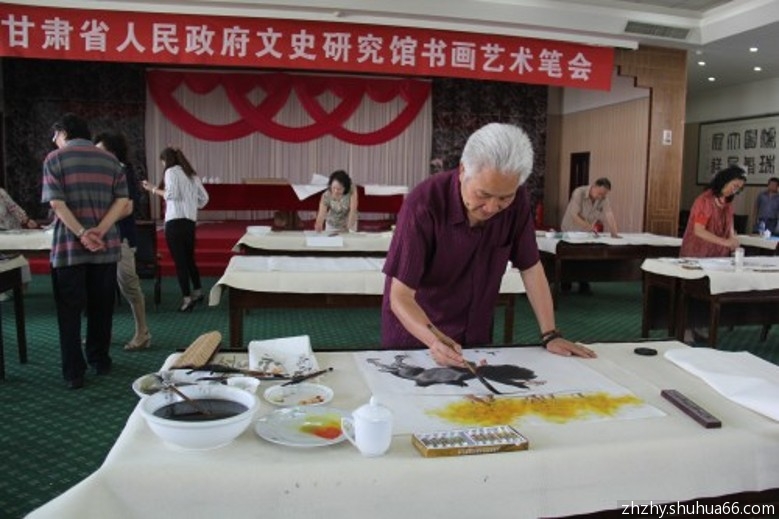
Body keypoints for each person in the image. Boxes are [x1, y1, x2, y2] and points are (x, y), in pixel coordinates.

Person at [381, 122, 595, 367]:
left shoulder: (518, 202)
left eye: (505, 197)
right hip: (418, 338)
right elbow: (400, 296)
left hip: (476, 335)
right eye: (483, 195)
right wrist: (434, 340)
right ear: (463, 170)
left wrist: (550, 334)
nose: (492, 207)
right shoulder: (424, 203)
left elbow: (531, 268)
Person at [42, 113, 129, 389]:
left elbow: (57, 204)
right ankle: (100, 360)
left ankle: (74, 372)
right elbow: (122, 202)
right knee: (101, 307)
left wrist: (82, 233)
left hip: (69, 248)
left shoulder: (54, 159)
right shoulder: (111, 161)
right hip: (105, 247)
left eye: (55, 135)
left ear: (63, 132)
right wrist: (99, 231)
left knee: (69, 311)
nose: (54, 140)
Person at [94, 131, 151, 351]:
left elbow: (127, 207)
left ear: (114, 152)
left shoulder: (124, 172)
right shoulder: (99, 173)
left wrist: (101, 222)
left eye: (101, 151)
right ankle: (102, 333)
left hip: (121, 236)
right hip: (101, 236)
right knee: (101, 286)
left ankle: (142, 333)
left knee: (128, 283)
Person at [142, 147, 209, 312]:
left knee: (180, 262)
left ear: (166, 160)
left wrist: (152, 189)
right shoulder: (192, 174)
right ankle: (198, 292)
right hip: (189, 222)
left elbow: (171, 194)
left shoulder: (170, 172)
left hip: (174, 222)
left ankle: (187, 299)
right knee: (189, 259)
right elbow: (205, 199)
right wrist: (191, 205)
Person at [560, 177, 620, 294]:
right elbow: (574, 215)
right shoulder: (579, 193)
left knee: (585, 257)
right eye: (600, 193)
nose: (601, 197)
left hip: (586, 233)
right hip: (570, 230)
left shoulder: (603, 198)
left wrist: (614, 233)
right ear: (594, 186)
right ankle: (565, 283)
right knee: (569, 257)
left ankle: (583, 283)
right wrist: (589, 227)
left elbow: (609, 214)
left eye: (604, 194)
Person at [680, 165, 745, 258]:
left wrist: (732, 239)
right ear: (726, 180)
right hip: (698, 254)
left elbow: (730, 225)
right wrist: (725, 242)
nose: (735, 191)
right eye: (735, 186)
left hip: (718, 256)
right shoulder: (705, 201)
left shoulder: (728, 204)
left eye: (738, 189)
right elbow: (699, 230)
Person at [0, 188, 39, 299]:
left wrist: (26, 220)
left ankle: (20, 288)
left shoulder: (1, 193)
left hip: (9, 232)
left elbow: (13, 207)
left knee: (19, 260)